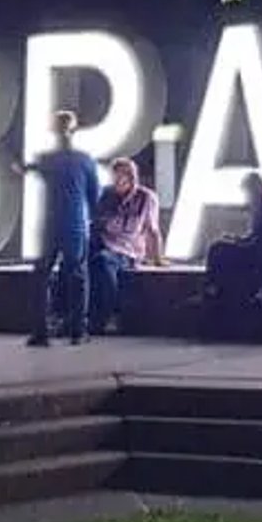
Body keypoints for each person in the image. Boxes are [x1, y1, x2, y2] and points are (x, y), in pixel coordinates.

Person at [26, 109, 99, 347]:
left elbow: (27, 169)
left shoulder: (46, 159)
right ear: (74, 129)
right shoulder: (85, 160)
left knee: (42, 276)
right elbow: (93, 196)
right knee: (77, 276)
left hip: (50, 223)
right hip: (75, 224)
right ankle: (78, 331)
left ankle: (40, 332)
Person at [87, 156, 162, 335]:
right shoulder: (106, 195)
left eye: (122, 177)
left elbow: (153, 230)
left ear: (131, 177)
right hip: (101, 245)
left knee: (103, 262)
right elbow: (95, 222)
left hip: (126, 251)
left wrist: (158, 258)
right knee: (76, 262)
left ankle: (108, 315)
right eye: (115, 177)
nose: (118, 181)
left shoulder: (146, 198)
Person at [202, 172, 262, 334]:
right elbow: (254, 234)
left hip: (260, 251)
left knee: (217, 249)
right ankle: (215, 285)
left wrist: (242, 242)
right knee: (219, 246)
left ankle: (213, 285)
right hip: (255, 246)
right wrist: (238, 239)